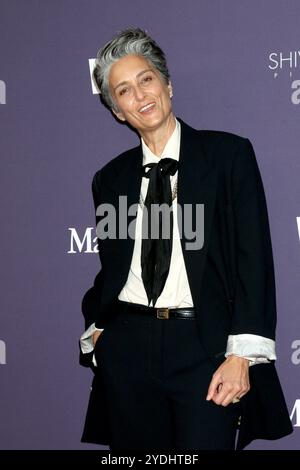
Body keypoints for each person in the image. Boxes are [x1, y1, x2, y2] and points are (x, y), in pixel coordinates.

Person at [79, 27, 292, 450]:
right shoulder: (110, 178)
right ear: (118, 110)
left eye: (146, 79)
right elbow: (115, 264)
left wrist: (241, 355)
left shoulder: (228, 156)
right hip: (128, 348)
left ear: (167, 85)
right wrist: (100, 330)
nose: (140, 95)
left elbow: (253, 258)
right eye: (123, 90)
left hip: (203, 348)